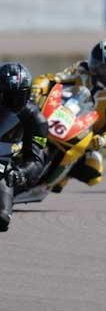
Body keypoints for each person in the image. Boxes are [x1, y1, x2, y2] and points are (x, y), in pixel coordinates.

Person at [32, 39, 106, 191]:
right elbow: (54, 79)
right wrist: (38, 87)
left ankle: (63, 174)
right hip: (61, 115)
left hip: (89, 137)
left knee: (94, 174)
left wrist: (104, 140)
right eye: (98, 65)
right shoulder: (82, 68)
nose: (100, 71)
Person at [0, 63, 48, 231]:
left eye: (19, 96)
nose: (14, 102)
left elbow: (36, 160)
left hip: (10, 164)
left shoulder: (36, 119)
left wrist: (20, 173)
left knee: (2, 219)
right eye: (8, 96)